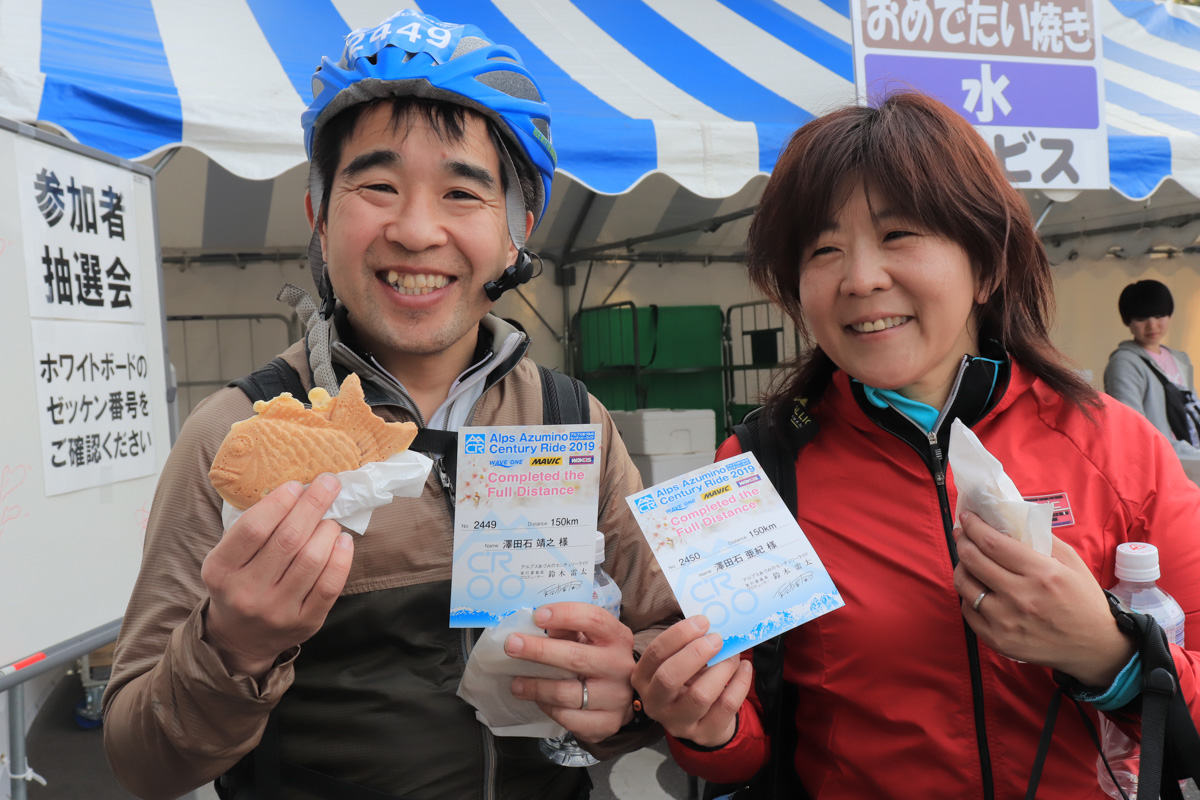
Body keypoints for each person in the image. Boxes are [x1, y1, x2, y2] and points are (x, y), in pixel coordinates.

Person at [102, 10, 677, 800]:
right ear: (319, 213)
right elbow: (140, 758)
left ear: (517, 232)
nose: (415, 230)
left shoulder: (573, 418)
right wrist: (230, 649)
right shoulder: (231, 438)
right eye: (376, 186)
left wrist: (636, 693)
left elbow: (664, 633)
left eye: (462, 192)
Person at [632, 92, 1200, 797]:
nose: (861, 278)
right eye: (824, 249)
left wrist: (1110, 654)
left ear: (986, 265)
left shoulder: (1116, 444)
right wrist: (702, 725)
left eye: (899, 235)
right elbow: (743, 748)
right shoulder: (757, 463)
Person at [1104, 279, 1200, 457]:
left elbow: (1193, 408)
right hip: (1160, 461)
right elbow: (1133, 426)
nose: (1152, 325)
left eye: (1159, 316)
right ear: (1127, 321)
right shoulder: (1125, 363)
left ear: (1169, 316)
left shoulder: (1179, 359)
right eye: (1141, 318)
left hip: (1190, 458)